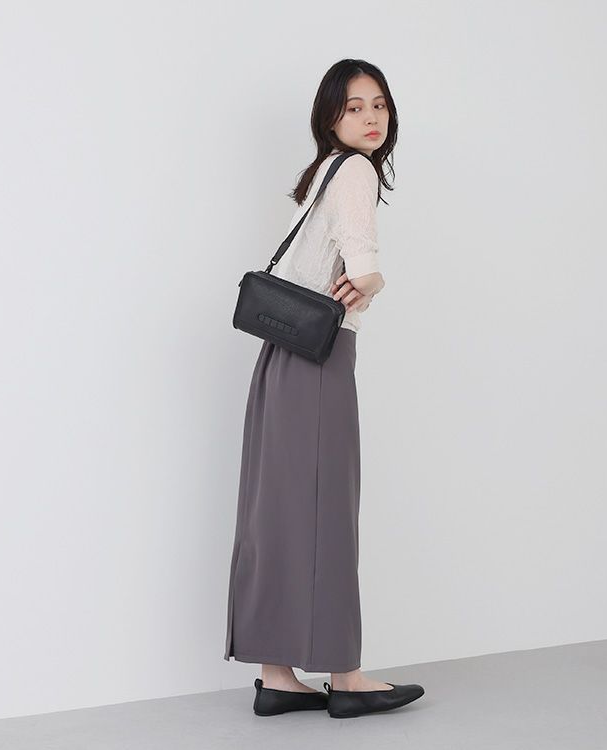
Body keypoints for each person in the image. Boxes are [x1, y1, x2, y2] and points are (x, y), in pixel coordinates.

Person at [223, 58, 425, 718]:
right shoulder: (356, 171)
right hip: (320, 358)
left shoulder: (323, 173)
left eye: (379, 104)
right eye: (354, 107)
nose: (371, 117)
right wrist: (375, 279)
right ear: (330, 117)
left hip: (280, 357)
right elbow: (361, 267)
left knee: (277, 512)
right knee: (328, 513)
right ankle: (346, 676)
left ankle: (277, 675)